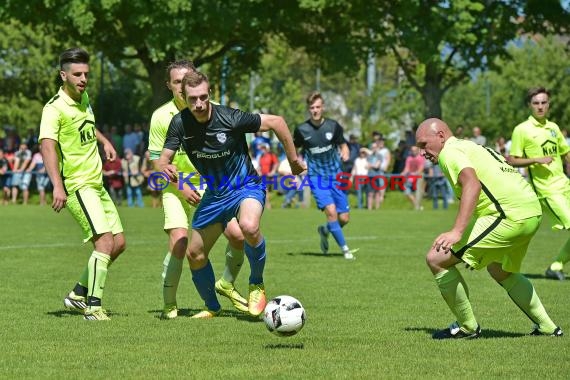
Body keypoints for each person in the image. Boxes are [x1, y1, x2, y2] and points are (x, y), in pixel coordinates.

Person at [158, 70, 305, 318]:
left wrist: (293, 161)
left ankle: (256, 283)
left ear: (209, 93)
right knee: (194, 254)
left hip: (245, 186)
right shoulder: (180, 123)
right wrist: (169, 170)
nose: (199, 104)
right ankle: (212, 307)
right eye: (193, 98)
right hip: (215, 195)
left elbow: (277, 122)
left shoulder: (230, 117)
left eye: (203, 97)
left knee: (248, 226)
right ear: (183, 96)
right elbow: (162, 161)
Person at [416, 117, 563, 339]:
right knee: (500, 269)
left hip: (508, 215)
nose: (422, 153)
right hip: (531, 211)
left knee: (436, 259)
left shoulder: (449, 152)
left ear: (441, 136)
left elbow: (472, 184)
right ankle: (548, 327)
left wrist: (457, 231)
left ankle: (467, 328)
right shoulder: (471, 146)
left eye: (424, 145)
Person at [150, 63, 254, 319]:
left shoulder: (211, 107)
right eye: (176, 82)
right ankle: (169, 304)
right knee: (179, 242)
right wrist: (181, 186)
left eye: (186, 80)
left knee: (238, 236)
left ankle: (226, 284)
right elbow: (157, 160)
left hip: (212, 186)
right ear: (171, 86)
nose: (182, 86)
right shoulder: (162, 117)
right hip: (177, 187)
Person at [39, 47, 126, 320]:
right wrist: (57, 185)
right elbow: (47, 147)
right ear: (63, 75)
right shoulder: (54, 109)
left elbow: (87, 125)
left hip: (97, 184)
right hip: (78, 185)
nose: (83, 79)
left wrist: (105, 141)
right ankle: (93, 306)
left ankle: (77, 294)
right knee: (104, 242)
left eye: (86, 74)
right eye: (77, 74)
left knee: (119, 243)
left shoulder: (83, 97)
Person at [508, 86, 570, 281]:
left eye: (544, 102)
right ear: (529, 106)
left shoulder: (553, 128)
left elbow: (565, 153)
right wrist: (535, 160)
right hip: (547, 191)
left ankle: (556, 266)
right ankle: (556, 265)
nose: (540, 106)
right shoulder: (522, 130)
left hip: (564, 184)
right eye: (536, 103)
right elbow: (512, 159)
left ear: (549, 104)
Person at [294, 91, 357, 260]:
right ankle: (345, 250)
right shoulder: (302, 129)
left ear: (323, 108)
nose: (315, 110)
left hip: (335, 176)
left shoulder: (333, 126)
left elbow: (343, 145)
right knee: (331, 212)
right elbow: (294, 150)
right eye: (312, 107)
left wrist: (345, 152)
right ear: (308, 109)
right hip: (316, 177)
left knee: (344, 218)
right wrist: (298, 163)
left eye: (317, 107)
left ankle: (324, 230)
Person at [400, 145, 425, 210]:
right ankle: (417, 205)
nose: (413, 152)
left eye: (415, 150)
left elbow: (421, 168)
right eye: (412, 150)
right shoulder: (409, 158)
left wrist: (415, 173)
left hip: (419, 176)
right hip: (410, 177)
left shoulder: (421, 158)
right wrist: (403, 173)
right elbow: (407, 168)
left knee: (418, 192)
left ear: (417, 150)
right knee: (406, 191)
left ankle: (417, 207)